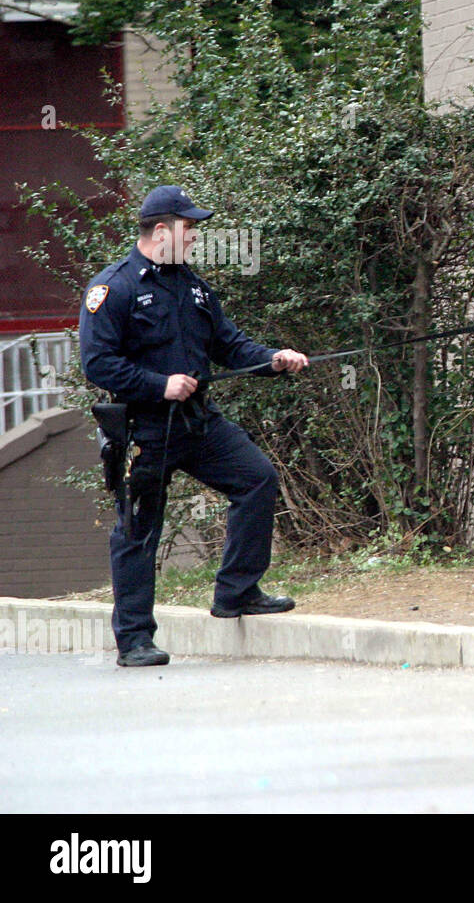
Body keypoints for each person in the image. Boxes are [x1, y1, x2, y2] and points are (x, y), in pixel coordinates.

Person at [79, 185, 310, 667]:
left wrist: (273, 359)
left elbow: (229, 345)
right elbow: (98, 364)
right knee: (139, 530)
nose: (195, 239)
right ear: (161, 230)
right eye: (189, 230)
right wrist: (158, 384)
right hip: (143, 429)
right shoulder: (114, 288)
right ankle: (135, 640)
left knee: (257, 480)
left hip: (197, 421)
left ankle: (236, 592)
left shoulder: (193, 286)